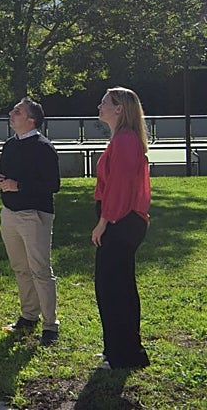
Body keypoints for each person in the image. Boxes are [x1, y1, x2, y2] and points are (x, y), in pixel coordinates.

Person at [0, 96, 61, 346]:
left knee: (40, 270)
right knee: (21, 269)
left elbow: (53, 185)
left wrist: (18, 186)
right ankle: (28, 316)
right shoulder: (11, 145)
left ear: (31, 120)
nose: (11, 113)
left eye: (18, 112)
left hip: (34, 216)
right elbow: (2, 172)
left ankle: (50, 326)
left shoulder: (43, 147)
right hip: (9, 213)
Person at [92, 86, 152, 370]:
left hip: (121, 222)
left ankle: (123, 354)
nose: (100, 105)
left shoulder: (126, 141)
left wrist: (104, 222)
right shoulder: (122, 139)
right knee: (115, 286)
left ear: (119, 108)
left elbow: (119, 188)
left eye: (105, 102)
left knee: (114, 288)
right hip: (121, 221)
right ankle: (118, 350)